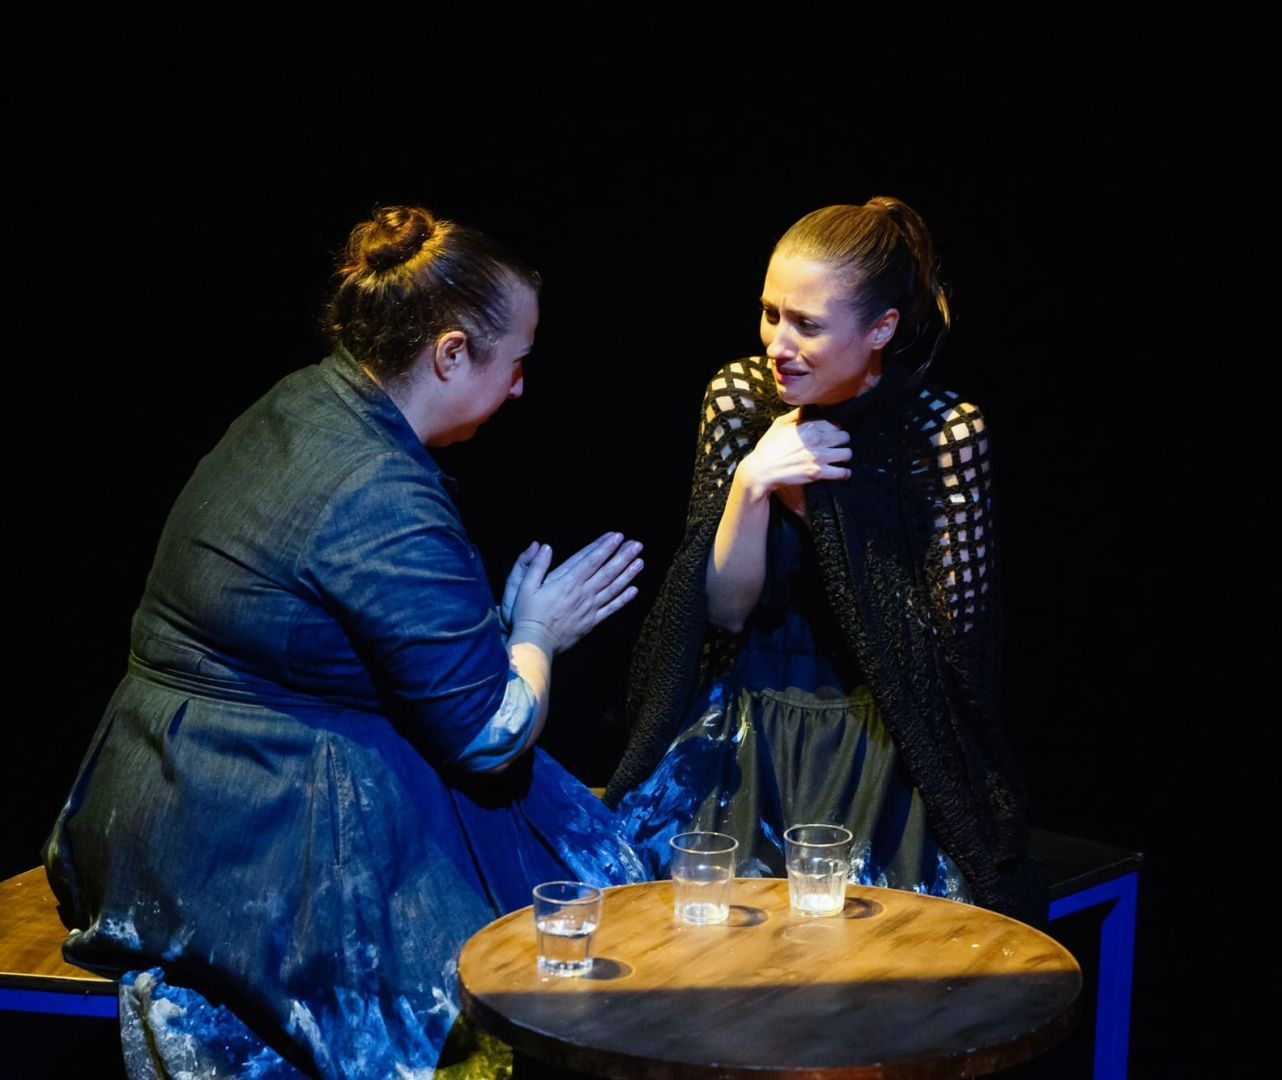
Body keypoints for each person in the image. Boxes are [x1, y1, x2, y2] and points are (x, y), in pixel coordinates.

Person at [43, 205, 648, 1078]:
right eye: (515, 362)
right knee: (551, 940)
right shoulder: (379, 490)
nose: (520, 387)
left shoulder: (305, 399)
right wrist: (538, 632)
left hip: (145, 789)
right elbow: (490, 735)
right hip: (241, 827)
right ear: (450, 353)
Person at [607, 197, 1044, 924]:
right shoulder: (739, 400)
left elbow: (951, 659)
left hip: (881, 743)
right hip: (746, 730)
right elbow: (722, 612)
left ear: (880, 330)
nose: (777, 344)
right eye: (770, 313)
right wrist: (752, 483)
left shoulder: (942, 434)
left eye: (807, 324)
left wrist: (822, 513)